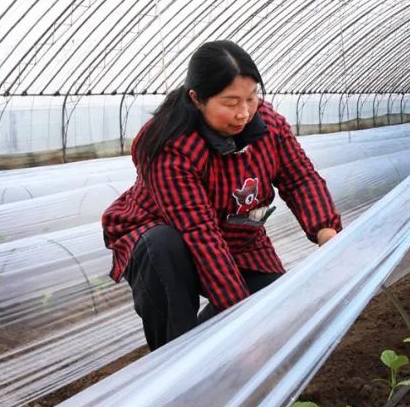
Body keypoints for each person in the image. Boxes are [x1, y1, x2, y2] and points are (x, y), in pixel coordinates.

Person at [102, 41, 342, 350]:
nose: (244, 113)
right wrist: (245, 333)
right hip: (170, 237)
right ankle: (176, 365)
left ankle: (211, 347)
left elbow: (300, 179)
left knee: (275, 310)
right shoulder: (171, 147)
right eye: (230, 102)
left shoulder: (269, 126)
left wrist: (326, 229)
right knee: (161, 248)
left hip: (237, 236)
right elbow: (200, 236)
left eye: (252, 97)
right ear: (197, 99)